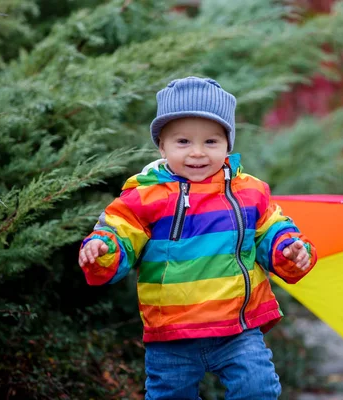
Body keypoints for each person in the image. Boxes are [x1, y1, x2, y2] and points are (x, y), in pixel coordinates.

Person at [78, 77, 318, 400]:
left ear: (227, 145)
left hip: (238, 327)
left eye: (211, 142)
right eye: (183, 142)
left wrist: (289, 250)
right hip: (172, 332)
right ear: (161, 146)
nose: (197, 153)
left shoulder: (248, 192)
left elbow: (273, 229)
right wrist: (101, 249)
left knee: (257, 388)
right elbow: (119, 231)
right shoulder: (147, 195)